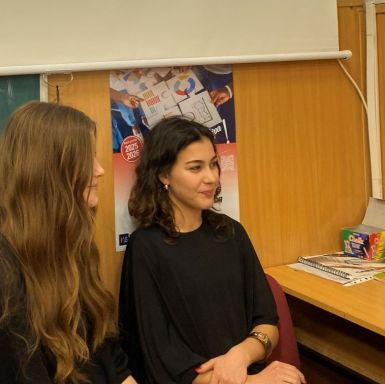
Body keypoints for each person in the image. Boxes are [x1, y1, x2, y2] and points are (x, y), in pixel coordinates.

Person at [0, 101, 135, 384]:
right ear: (50, 170)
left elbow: (105, 351)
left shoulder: (71, 241)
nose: (100, 170)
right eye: (86, 158)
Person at [119, 117, 305, 384]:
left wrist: (241, 355)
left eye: (213, 164)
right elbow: (162, 357)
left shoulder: (231, 232)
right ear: (164, 175)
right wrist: (250, 383)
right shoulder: (146, 247)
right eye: (196, 168)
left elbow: (267, 321)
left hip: (248, 372)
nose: (211, 177)